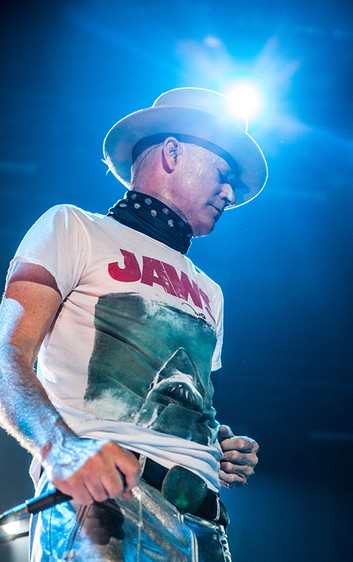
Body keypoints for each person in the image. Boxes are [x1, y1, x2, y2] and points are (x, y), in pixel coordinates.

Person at [0, 87, 268, 561]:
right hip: (107, 503)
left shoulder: (211, 291)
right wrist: (60, 449)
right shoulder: (73, 227)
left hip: (207, 529)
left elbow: (171, 393)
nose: (229, 193)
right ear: (171, 152)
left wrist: (213, 442)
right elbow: (7, 355)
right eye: (223, 175)